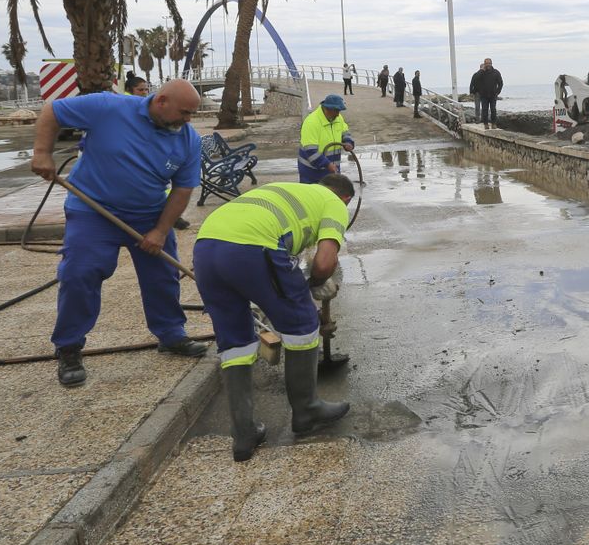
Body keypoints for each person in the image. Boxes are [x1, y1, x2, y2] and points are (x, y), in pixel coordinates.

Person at [30, 79, 207, 387]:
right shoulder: (108, 107)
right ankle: (69, 346)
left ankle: (171, 335)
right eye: (184, 112)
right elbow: (52, 111)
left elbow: (182, 189)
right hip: (93, 211)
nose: (188, 120)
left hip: (149, 214)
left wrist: (160, 230)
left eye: (192, 114)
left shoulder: (188, 140)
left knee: (163, 274)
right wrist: (42, 152)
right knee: (80, 271)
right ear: (161, 100)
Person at [194, 173, 354, 460]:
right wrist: (316, 283)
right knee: (303, 324)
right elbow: (324, 261)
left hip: (206, 246)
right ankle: (306, 411)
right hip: (254, 246)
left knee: (236, 342)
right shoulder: (335, 203)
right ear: (345, 198)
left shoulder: (291, 191)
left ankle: (244, 433)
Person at [298, 94, 355, 183]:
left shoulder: (337, 117)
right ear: (327, 109)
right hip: (312, 172)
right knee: (314, 195)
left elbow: (345, 131)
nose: (338, 114)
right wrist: (327, 164)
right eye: (336, 111)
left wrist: (348, 142)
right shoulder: (311, 122)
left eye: (339, 111)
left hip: (332, 169)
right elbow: (311, 151)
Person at [469, 57, 503, 129]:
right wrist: (481, 70)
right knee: (484, 110)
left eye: (489, 63)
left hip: (493, 94)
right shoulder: (481, 73)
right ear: (484, 64)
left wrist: (497, 92)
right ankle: (486, 124)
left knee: (493, 109)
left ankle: (494, 123)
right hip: (483, 95)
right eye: (486, 63)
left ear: (491, 64)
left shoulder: (496, 72)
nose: (488, 65)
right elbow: (475, 79)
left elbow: (500, 83)